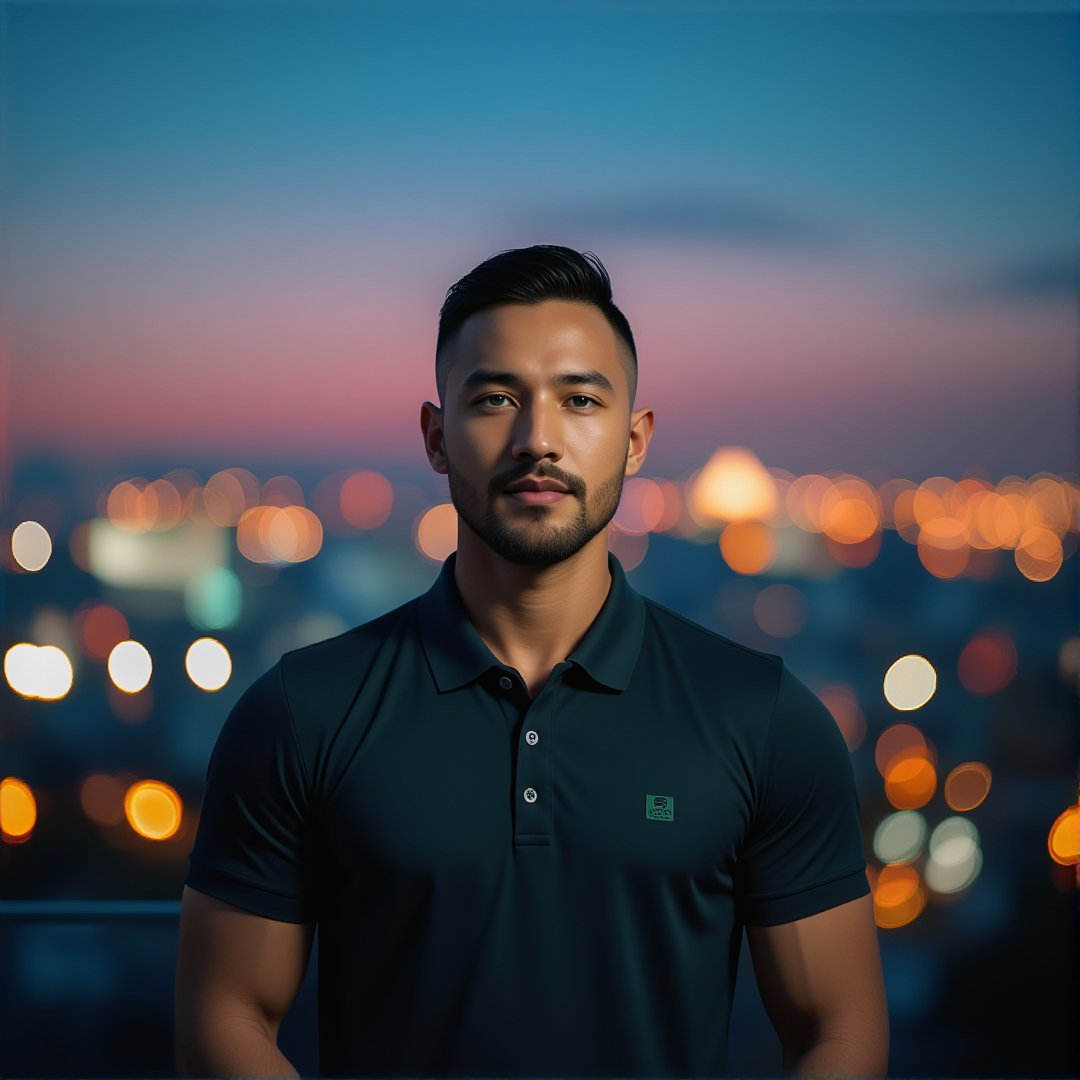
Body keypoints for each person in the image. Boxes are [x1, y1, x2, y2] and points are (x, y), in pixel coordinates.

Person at [175, 245, 889, 1078]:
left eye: (579, 399)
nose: (537, 439)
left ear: (633, 440)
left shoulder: (761, 718)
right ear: (438, 437)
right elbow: (222, 1018)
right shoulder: (304, 712)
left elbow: (841, 1030)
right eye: (495, 398)